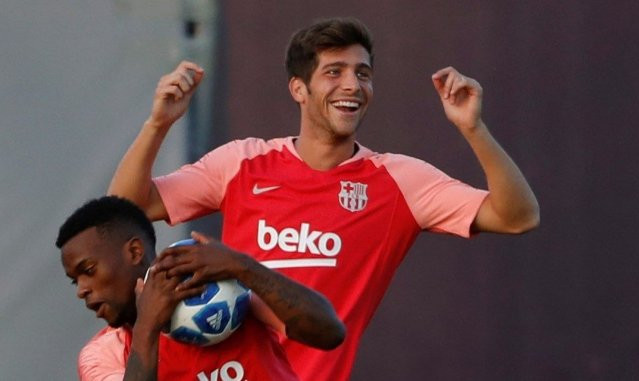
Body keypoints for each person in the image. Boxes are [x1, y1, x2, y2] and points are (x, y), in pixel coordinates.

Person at [107, 17, 539, 381]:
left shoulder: (400, 181)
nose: (353, 84)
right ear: (299, 88)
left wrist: (473, 129)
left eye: (363, 73)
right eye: (334, 72)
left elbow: (517, 217)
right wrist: (158, 124)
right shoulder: (242, 162)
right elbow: (125, 211)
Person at [56, 196, 345, 380]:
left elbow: (329, 333)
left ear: (134, 252)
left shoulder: (226, 288)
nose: (81, 290)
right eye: (75, 280)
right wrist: (147, 326)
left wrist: (244, 267)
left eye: (88, 271)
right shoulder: (102, 354)